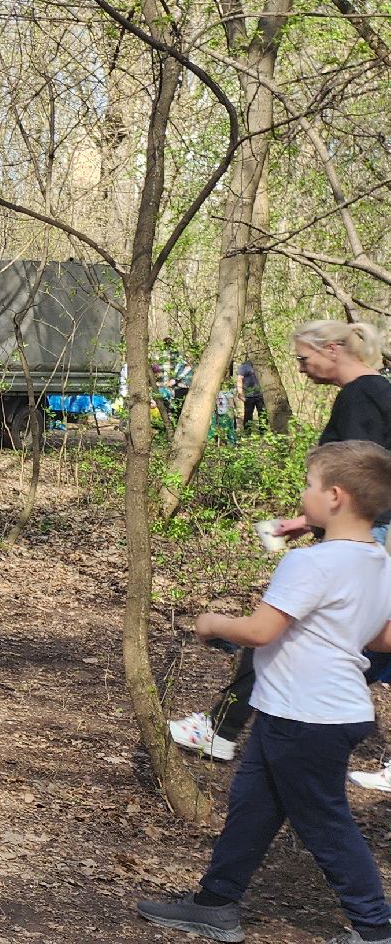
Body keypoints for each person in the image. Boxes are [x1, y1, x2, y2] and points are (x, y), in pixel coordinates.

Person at [136, 440, 391, 944]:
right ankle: (216, 903)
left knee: (324, 823)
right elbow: (381, 637)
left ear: (334, 497)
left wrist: (212, 622)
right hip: (305, 710)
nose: (303, 494)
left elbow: (259, 633)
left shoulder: (311, 563)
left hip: (307, 716)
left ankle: (374, 927)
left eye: (309, 484)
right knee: (253, 806)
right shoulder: (378, 560)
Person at [173, 322, 391, 781]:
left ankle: (222, 728)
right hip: (367, 533)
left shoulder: (362, 397)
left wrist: (321, 522)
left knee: (288, 630)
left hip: (370, 536)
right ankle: (223, 727)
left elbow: (357, 482)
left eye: (303, 357)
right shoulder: (372, 393)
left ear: (332, 349)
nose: (302, 368)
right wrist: (309, 520)